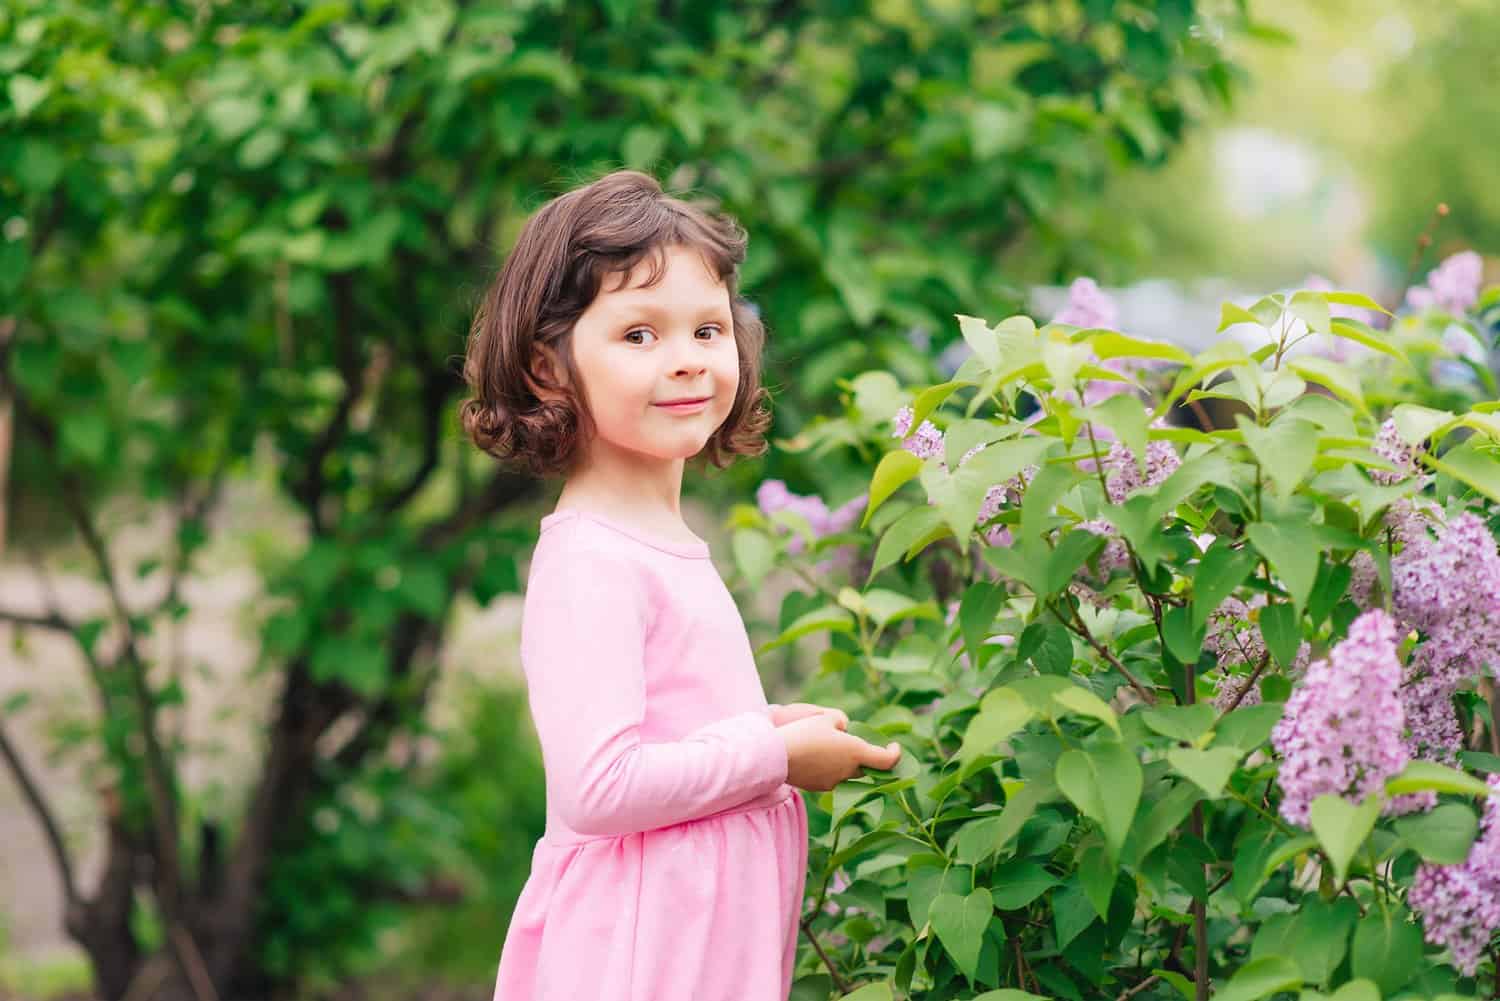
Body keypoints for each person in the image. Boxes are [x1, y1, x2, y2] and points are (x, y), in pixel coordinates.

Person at [458, 169, 903, 1001]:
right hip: (636, 956)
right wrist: (773, 753)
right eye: (638, 336)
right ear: (548, 370)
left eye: (707, 329)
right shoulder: (592, 560)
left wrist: (766, 727)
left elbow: (664, 728)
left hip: (689, 944)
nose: (688, 360)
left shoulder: (658, 540)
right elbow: (601, 786)